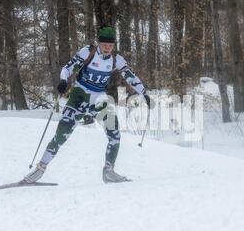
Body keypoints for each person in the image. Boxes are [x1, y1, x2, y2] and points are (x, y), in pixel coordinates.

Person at [24, 26, 150, 183]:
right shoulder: (87, 52)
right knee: (61, 134)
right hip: (80, 96)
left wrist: (143, 92)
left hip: (100, 99)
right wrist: (63, 81)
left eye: (110, 46)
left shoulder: (116, 59)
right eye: (104, 45)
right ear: (98, 43)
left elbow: (130, 76)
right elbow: (67, 68)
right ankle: (40, 169)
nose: (107, 48)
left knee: (114, 134)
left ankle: (109, 171)